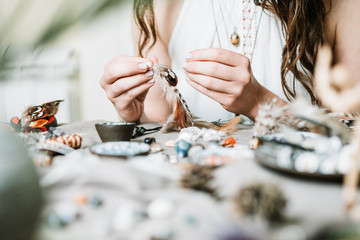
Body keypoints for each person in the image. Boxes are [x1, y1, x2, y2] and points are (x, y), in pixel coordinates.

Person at [100, 0, 360, 124]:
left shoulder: (340, 5)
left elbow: (351, 134)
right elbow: (161, 120)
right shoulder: (157, 7)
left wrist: (259, 103)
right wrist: (134, 111)